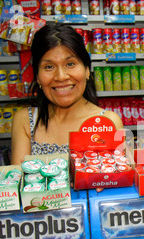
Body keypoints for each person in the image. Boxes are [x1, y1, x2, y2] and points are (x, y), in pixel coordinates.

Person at [11, 24, 123, 165]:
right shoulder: (25, 121)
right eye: (49, 67)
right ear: (38, 77)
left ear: (87, 70)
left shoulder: (108, 122)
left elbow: (118, 178)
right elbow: (18, 181)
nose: (61, 76)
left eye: (70, 64)